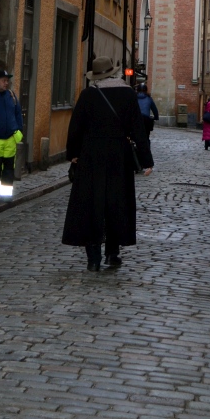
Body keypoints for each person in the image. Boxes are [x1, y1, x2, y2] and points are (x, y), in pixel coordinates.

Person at [62, 56, 154, 271]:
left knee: (92, 203)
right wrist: (146, 160)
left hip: (91, 156)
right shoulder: (128, 95)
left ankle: (93, 257)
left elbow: (75, 128)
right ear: (114, 73)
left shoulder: (87, 95)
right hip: (118, 157)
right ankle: (112, 253)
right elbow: (138, 131)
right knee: (116, 203)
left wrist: (74, 154)